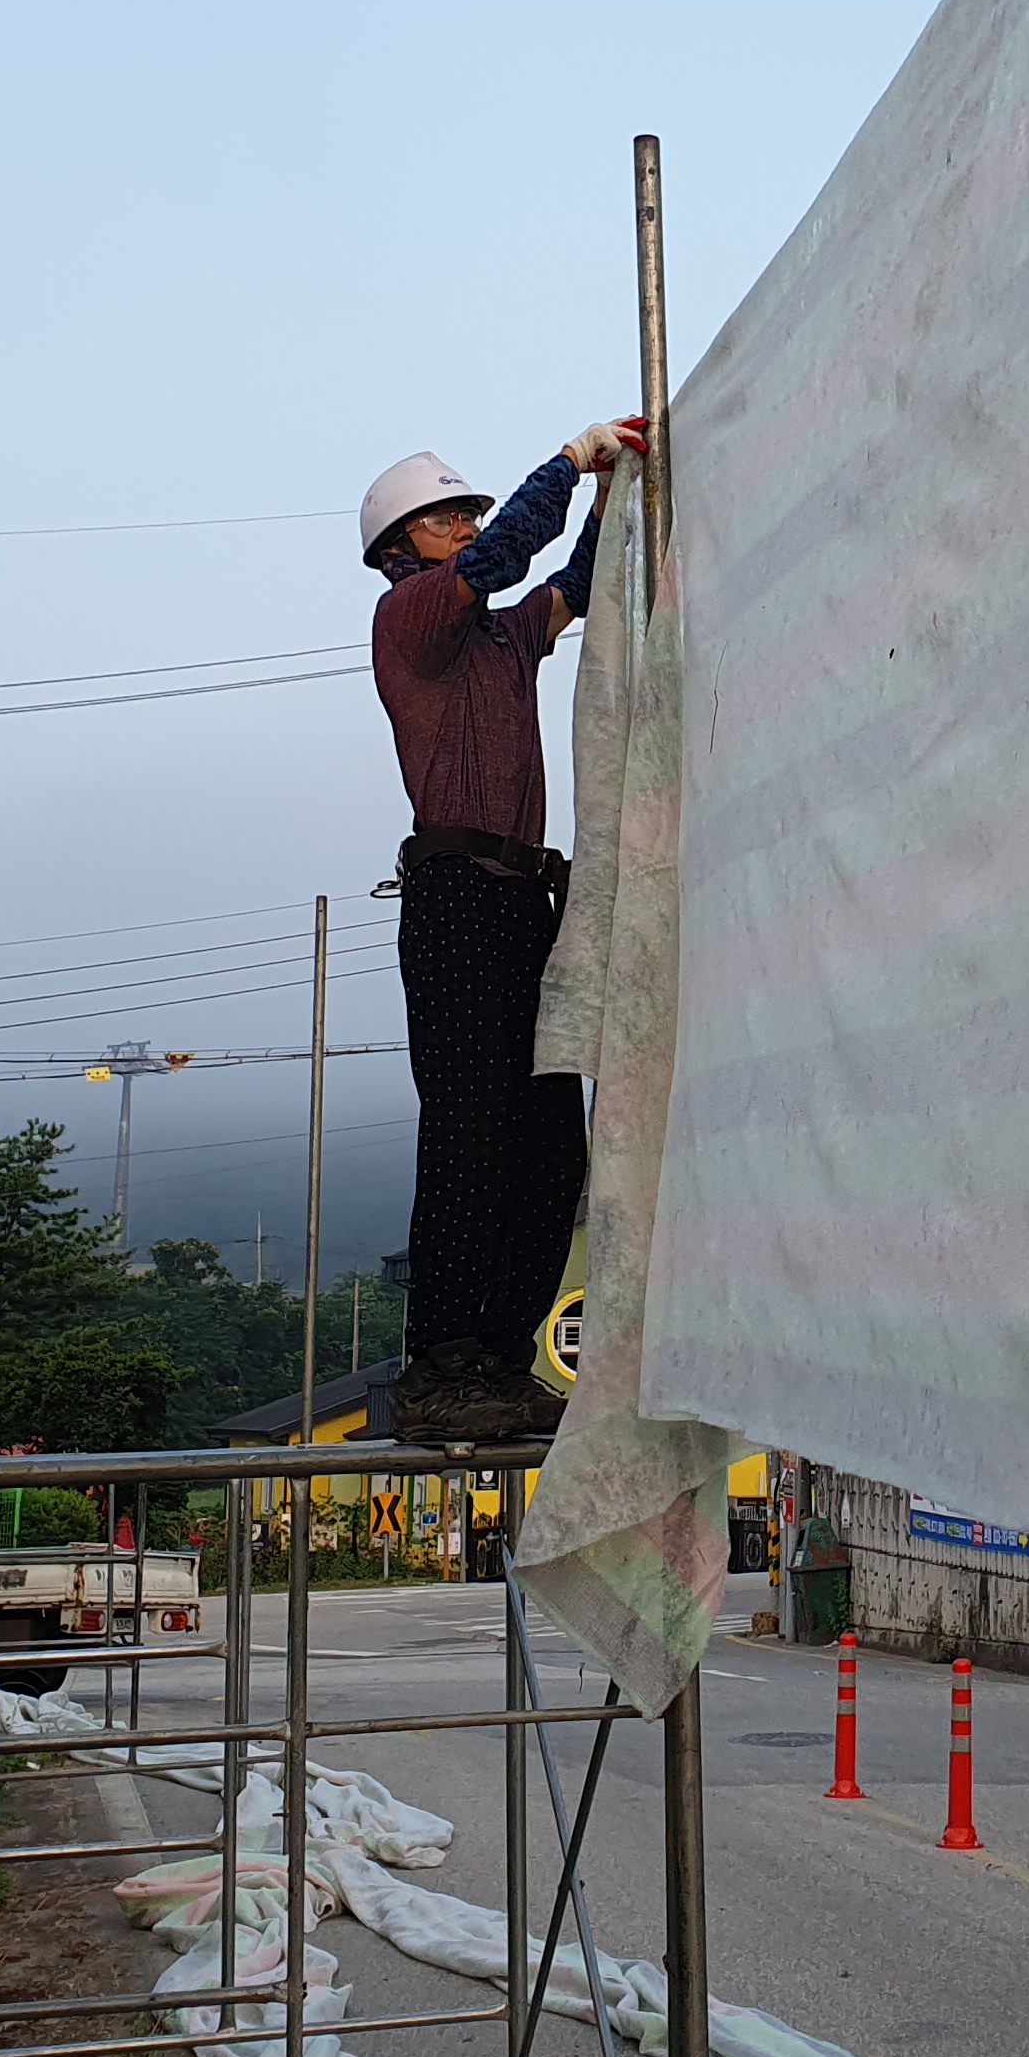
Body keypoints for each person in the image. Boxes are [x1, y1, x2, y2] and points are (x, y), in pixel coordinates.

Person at [359, 418, 641, 1445]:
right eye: (446, 516)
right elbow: (505, 556)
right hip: (457, 901)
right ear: (400, 549)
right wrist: (570, 462)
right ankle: (440, 1367)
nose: (467, 526)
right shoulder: (415, 618)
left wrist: (610, 503)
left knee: (548, 1144)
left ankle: (501, 1359)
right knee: (472, 1134)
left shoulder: (495, 636)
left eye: (468, 510)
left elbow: (568, 585)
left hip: (523, 901)